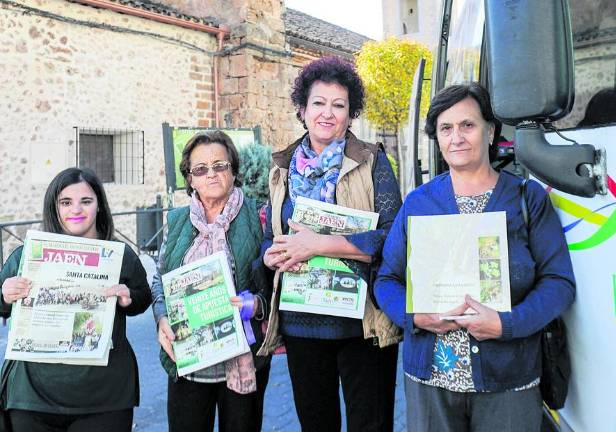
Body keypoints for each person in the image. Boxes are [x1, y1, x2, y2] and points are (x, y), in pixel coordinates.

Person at [375, 83, 577, 431]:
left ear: (491, 130)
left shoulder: (525, 199)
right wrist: (416, 316)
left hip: (508, 381)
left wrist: (506, 324)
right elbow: (386, 280)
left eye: (468, 125)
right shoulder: (419, 203)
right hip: (431, 383)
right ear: (437, 138)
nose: (457, 137)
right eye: (446, 128)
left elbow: (559, 283)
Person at [259, 56, 402, 431]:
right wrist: (273, 254)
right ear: (302, 110)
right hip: (301, 324)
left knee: (369, 423)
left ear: (350, 113)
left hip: (364, 326)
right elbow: (268, 235)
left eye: (338, 105)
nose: (327, 113)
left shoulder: (372, 161)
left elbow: (392, 238)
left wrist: (317, 245)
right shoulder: (281, 168)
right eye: (318, 103)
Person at [0, 167, 151, 432]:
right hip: (32, 398)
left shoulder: (121, 255)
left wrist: (130, 298)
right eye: (66, 202)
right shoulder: (25, 257)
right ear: (54, 208)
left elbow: (143, 297)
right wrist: (5, 293)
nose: (76, 210)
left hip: (104, 398)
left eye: (86, 201)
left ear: (99, 207)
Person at [151, 130, 271, 432]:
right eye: (200, 169)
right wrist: (162, 317)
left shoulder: (259, 216)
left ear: (233, 170)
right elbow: (159, 282)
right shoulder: (177, 221)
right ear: (190, 178)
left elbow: (275, 283)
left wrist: (257, 305)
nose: (211, 174)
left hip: (243, 358)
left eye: (220, 165)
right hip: (188, 362)